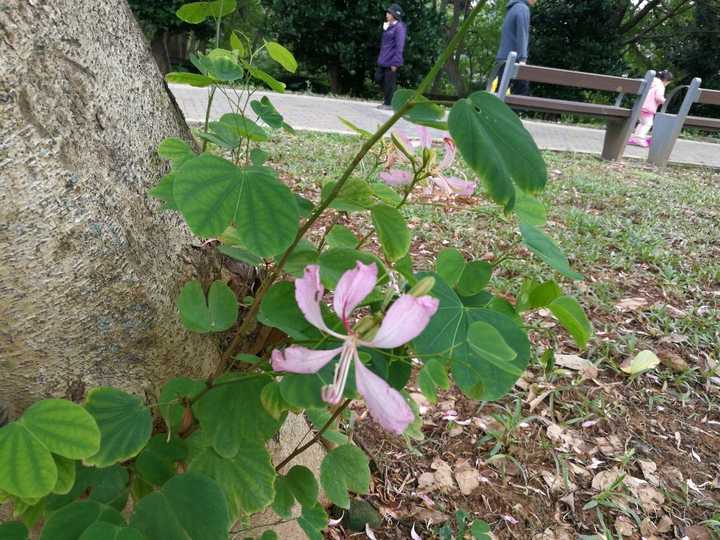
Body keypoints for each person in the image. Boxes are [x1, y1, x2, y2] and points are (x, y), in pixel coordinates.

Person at [494, 0, 537, 96]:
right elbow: (522, 34)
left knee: (499, 95)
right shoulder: (522, 8)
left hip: (503, 59)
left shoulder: (513, 8)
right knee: (521, 94)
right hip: (513, 60)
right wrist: (523, 59)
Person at [628, 70, 674, 148]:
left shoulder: (651, 82)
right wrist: (665, 101)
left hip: (641, 106)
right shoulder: (660, 86)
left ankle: (636, 137)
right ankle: (639, 138)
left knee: (642, 123)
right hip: (648, 108)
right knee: (648, 124)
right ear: (666, 81)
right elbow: (658, 97)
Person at [376, 3, 407, 110]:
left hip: (392, 60)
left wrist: (396, 62)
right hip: (383, 59)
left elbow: (400, 46)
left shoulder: (399, 28)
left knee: (389, 83)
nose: (387, 14)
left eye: (389, 13)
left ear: (394, 15)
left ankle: (388, 103)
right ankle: (388, 100)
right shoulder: (388, 26)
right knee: (378, 78)